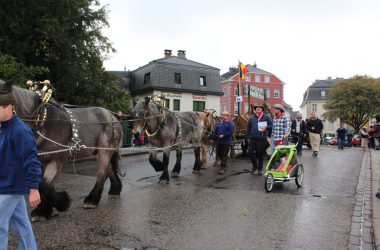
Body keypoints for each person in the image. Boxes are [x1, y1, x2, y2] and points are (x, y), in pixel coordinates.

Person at [0, 81, 42, 250]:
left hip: (11, 187)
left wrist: (34, 188)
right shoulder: (3, 128)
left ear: (8, 107)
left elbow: (32, 161)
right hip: (7, 185)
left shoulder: (20, 131)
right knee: (22, 225)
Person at [246, 103, 272, 175]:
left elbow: (271, 126)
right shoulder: (251, 118)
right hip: (252, 138)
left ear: (262, 109)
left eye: (260, 108)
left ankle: (260, 169)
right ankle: (255, 166)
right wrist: (248, 137)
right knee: (250, 152)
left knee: (260, 154)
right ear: (255, 109)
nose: (258, 109)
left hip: (262, 138)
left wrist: (266, 128)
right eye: (257, 107)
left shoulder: (266, 117)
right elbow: (248, 128)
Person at [213, 110, 234, 174]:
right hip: (219, 142)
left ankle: (222, 168)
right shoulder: (219, 123)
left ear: (227, 116)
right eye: (222, 115)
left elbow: (230, 132)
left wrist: (224, 135)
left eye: (224, 115)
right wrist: (212, 138)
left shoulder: (229, 123)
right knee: (219, 154)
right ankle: (224, 162)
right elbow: (216, 132)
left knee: (223, 154)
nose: (223, 116)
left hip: (225, 142)